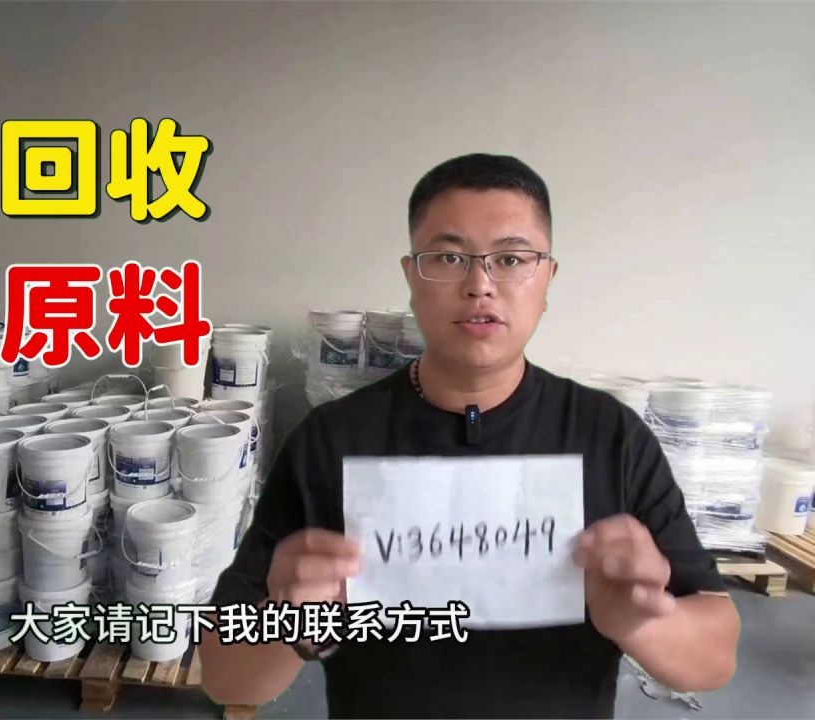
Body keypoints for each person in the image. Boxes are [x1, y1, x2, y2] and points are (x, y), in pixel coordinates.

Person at [200, 154, 739, 718]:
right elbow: (226, 677)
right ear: (412, 276)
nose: (480, 285)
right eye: (449, 258)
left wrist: (641, 622)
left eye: (511, 259)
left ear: (547, 278)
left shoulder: (612, 438)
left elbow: (714, 659)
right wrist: (293, 625)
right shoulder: (329, 440)